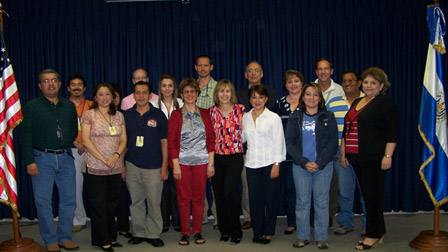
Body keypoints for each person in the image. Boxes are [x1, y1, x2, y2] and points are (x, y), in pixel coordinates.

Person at [20, 69, 79, 252]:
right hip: (41, 159)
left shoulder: (68, 106)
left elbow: (72, 130)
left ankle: (64, 237)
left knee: (69, 200)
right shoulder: (32, 106)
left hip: (66, 158)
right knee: (43, 201)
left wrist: (67, 142)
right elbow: (26, 136)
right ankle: (50, 240)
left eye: (54, 80)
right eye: (46, 81)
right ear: (40, 85)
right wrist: (30, 161)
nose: (50, 84)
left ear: (60, 84)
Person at [340, 67, 399, 250]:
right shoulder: (358, 101)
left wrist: (387, 155)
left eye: (373, 83)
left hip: (374, 158)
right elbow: (346, 129)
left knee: (373, 197)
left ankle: (373, 234)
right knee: (368, 195)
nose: (368, 85)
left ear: (381, 85)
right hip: (356, 158)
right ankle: (379, 229)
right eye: (366, 82)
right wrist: (343, 153)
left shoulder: (385, 103)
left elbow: (393, 133)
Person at [286, 82, 338, 249]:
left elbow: (332, 142)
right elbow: (290, 143)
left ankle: (321, 237)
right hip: (301, 167)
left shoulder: (328, 116)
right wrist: (304, 162)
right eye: (308, 94)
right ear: (303, 97)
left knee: (322, 202)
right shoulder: (295, 117)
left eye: (315, 94)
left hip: (323, 166)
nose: (311, 98)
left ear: (320, 98)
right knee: (302, 202)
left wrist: (320, 162)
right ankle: (302, 236)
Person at [167, 78, 215, 246]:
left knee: (199, 198)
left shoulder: (205, 113)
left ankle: (198, 231)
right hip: (183, 163)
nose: (189, 94)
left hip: (202, 162)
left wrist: (211, 163)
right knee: (183, 198)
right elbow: (171, 142)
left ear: (197, 94)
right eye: (186, 92)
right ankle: (185, 232)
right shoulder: (176, 115)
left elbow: (211, 140)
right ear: (181, 95)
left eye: (192, 91)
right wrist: (176, 166)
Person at [81, 82, 127, 252]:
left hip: (114, 167)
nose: (105, 98)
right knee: (98, 204)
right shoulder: (89, 115)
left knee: (111, 204)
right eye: (101, 94)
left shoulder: (119, 116)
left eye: (108, 94)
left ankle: (111, 236)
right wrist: (102, 158)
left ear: (113, 97)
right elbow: (86, 140)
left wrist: (114, 157)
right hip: (94, 167)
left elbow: (123, 140)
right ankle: (103, 239)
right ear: (95, 97)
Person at [124, 81, 168, 247]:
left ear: (150, 96)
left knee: (154, 201)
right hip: (132, 165)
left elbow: (165, 142)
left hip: (154, 166)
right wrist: (122, 166)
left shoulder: (158, 115)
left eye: (144, 93)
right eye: (138, 92)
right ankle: (140, 232)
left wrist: (164, 167)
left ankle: (153, 233)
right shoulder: (126, 115)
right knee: (136, 201)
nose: (141, 96)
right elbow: (122, 142)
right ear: (133, 95)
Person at [236, 61, 279, 230]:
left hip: (268, 154)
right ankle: (251, 218)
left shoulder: (272, 93)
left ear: (261, 73)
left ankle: (267, 223)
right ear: (246, 74)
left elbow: (275, 132)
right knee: (250, 191)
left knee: (269, 192)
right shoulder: (239, 94)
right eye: (250, 71)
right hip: (249, 153)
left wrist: (276, 161)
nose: (253, 74)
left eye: (256, 71)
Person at [242, 84, 286, 244]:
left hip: (270, 163)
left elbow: (279, 141)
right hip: (252, 163)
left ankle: (268, 232)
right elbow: (241, 139)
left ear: (266, 99)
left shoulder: (273, 117)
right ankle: (257, 231)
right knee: (255, 201)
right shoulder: (245, 117)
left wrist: (276, 163)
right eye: (254, 97)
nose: (257, 100)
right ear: (249, 99)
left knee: (271, 200)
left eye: (260, 97)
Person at [327, 70, 366, 236]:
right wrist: (331, 151)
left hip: (365, 152)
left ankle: (369, 224)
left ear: (359, 82)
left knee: (366, 190)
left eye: (351, 80)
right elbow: (327, 129)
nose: (347, 84)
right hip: (339, 152)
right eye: (344, 81)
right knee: (344, 190)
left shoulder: (370, 101)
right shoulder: (334, 103)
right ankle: (345, 222)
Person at [210, 79, 245, 244]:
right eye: (221, 91)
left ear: (232, 93)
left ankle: (235, 229)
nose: (224, 94)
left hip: (235, 156)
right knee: (219, 194)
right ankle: (224, 230)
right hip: (216, 157)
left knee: (230, 191)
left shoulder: (241, 110)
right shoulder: (211, 112)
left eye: (227, 91)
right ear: (216, 94)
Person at [273, 70, 303, 235]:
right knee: (291, 189)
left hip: (306, 154)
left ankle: (309, 219)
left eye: (296, 81)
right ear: (285, 85)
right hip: (286, 155)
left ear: (302, 83)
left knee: (307, 190)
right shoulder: (279, 103)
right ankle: (292, 221)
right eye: (290, 81)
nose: (293, 84)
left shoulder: (310, 101)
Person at [151, 74, 183, 233]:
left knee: (177, 188)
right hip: (160, 151)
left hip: (179, 152)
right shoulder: (153, 105)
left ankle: (177, 221)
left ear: (174, 88)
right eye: (164, 85)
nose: (167, 89)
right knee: (162, 188)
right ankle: (163, 222)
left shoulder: (182, 104)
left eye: (170, 85)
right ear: (160, 88)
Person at [314, 58, 344, 226]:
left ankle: (330, 214)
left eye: (326, 69)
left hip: (333, 143)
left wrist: (334, 147)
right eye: (320, 69)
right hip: (313, 144)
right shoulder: (310, 88)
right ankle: (315, 215)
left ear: (331, 71)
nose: (323, 72)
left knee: (332, 183)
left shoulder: (339, 90)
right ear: (316, 72)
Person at [67, 74, 93, 233]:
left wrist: (85, 142)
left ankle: (99, 217)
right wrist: (75, 142)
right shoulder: (63, 105)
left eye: (79, 85)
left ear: (84, 88)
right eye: (73, 85)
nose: (76, 87)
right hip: (72, 151)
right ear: (68, 88)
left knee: (95, 187)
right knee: (75, 187)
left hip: (92, 151)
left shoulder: (92, 105)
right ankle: (79, 218)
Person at [194, 55, 218, 226]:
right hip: (194, 144)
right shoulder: (190, 88)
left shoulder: (219, 88)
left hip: (215, 142)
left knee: (216, 184)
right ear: (196, 67)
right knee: (198, 184)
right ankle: (200, 216)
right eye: (200, 66)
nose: (203, 68)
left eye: (206, 66)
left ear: (211, 67)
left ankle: (218, 217)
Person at [109, 82, 132, 239]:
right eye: (111, 96)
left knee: (123, 196)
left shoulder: (125, 115)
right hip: (103, 161)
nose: (113, 99)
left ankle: (123, 227)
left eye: (116, 96)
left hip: (122, 160)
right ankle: (108, 229)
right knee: (107, 198)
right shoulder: (98, 114)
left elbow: (127, 140)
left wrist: (122, 163)